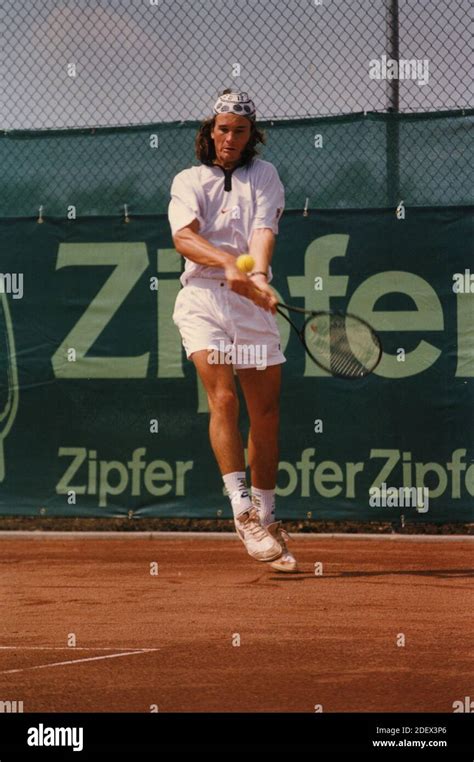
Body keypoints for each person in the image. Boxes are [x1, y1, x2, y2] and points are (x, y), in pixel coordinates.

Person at [168, 89, 298, 572]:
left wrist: (258, 277)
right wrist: (229, 264)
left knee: (265, 412)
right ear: (210, 130)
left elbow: (263, 231)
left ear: (250, 136)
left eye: (239, 131)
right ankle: (241, 511)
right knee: (223, 400)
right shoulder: (188, 179)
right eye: (222, 129)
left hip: (251, 303)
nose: (230, 138)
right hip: (201, 297)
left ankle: (267, 517)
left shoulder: (264, 176)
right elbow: (184, 236)